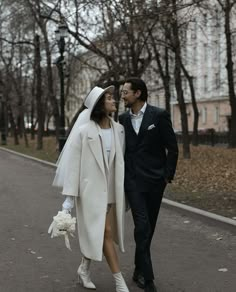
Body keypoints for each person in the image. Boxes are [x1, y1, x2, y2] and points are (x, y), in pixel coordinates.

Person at [52, 86, 129, 292]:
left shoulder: (119, 130)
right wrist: (68, 201)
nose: (114, 101)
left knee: (98, 232)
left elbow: (120, 164)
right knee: (105, 232)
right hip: (89, 194)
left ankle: (84, 269)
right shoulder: (83, 132)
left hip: (111, 193)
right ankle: (119, 281)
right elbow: (74, 167)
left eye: (113, 97)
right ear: (99, 106)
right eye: (109, 98)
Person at [119, 78, 178, 292]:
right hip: (133, 182)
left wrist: (167, 176)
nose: (122, 96)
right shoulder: (122, 119)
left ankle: (137, 270)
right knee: (142, 226)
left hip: (155, 181)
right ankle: (149, 278)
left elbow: (172, 147)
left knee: (148, 229)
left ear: (138, 93)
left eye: (125, 92)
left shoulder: (159, 115)